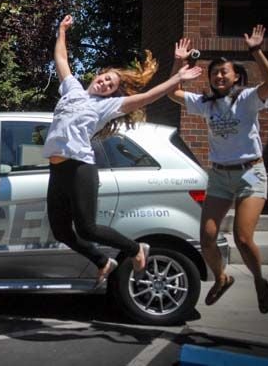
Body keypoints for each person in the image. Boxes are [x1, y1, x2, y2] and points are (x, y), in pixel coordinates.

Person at [44, 15, 203, 284]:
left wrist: (177, 76)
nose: (105, 84)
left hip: (80, 168)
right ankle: (103, 261)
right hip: (57, 169)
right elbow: (61, 60)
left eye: (111, 86)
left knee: (88, 228)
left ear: (111, 94)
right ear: (97, 75)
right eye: (105, 78)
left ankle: (134, 249)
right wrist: (61, 31)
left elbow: (147, 97)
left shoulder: (106, 107)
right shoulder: (71, 90)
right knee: (61, 231)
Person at [168, 25, 268, 313]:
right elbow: (172, 93)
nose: (218, 75)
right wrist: (179, 63)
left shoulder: (249, 98)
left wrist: (256, 51)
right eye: (214, 72)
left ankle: (259, 280)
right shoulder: (206, 104)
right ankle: (221, 277)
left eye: (224, 72)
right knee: (206, 238)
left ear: (236, 76)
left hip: (249, 173)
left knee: (243, 238)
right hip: (219, 175)